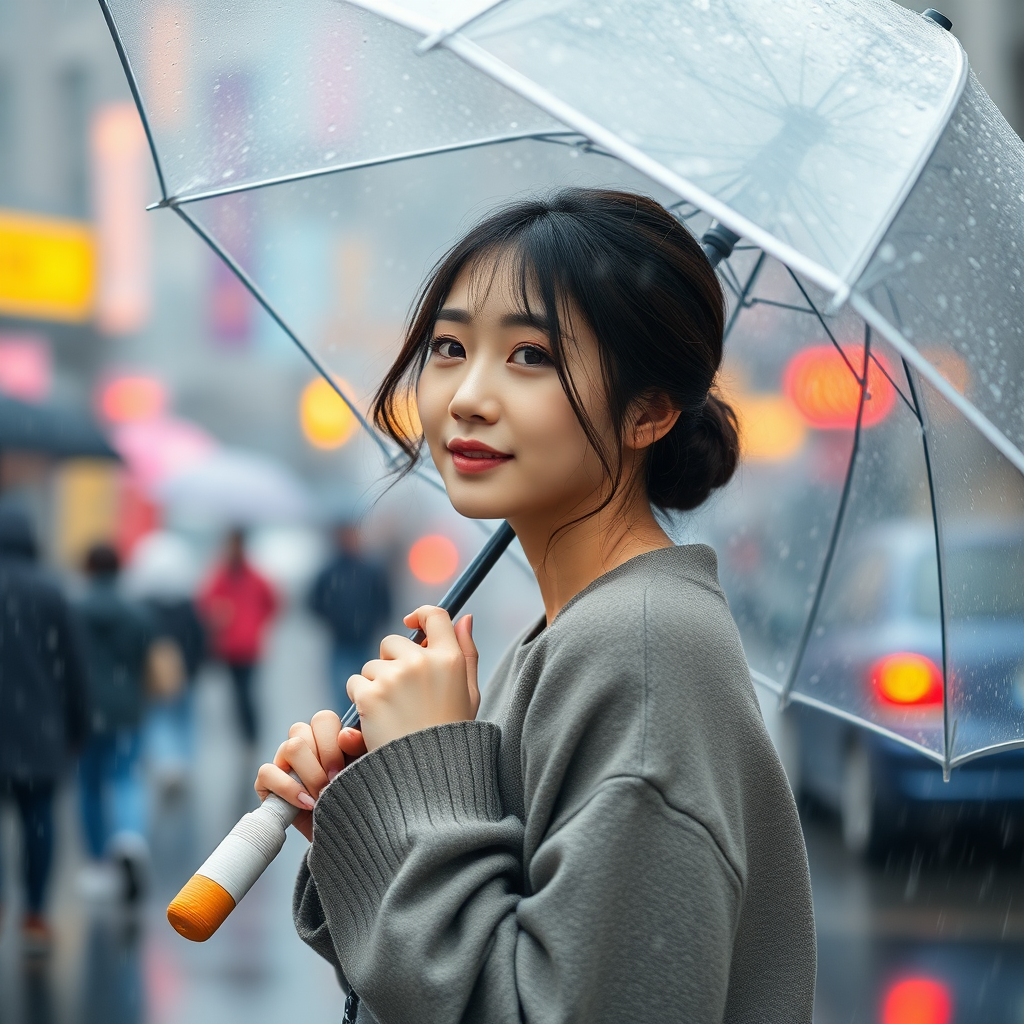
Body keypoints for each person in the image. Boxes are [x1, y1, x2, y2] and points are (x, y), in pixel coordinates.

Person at [257, 190, 816, 1022]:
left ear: (649, 411)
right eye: (449, 346)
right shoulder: (568, 635)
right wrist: (376, 817)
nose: (468, 396)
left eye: (532, 357)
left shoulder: (644, 655)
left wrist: (426, 783)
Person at [0, 502, 89, 953]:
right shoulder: (49, 592)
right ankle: (35, 914)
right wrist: (78, 722)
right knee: (38, 822)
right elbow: (72, 666)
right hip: (39, 729)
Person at [76, 543, 155, 902]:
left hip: (84, 711)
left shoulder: (72, 610)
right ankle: (130, 838)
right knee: (125, 777)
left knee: (89, 785)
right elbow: (147, 662)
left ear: (88, 569)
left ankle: (96, 862)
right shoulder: (137, 614)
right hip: (127, 709)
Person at [198, 528, 277, 751]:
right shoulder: (221, 575)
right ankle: (248, 733)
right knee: (238, 692)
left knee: (245, 692)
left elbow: (272, 602)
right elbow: (206, 604)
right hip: (230, 646)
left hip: (248, 645)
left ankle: (250, 733)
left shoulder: (253, 576)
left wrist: (257, 622)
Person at [307, 522, 392, 717]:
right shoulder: (330, 571)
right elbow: (313, 602)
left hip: (364, 640)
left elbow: (384, 601)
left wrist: (375, 622)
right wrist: (333, 620)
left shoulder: (371, 569)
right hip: (341, 641)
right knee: (341, 690)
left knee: (365, 690)